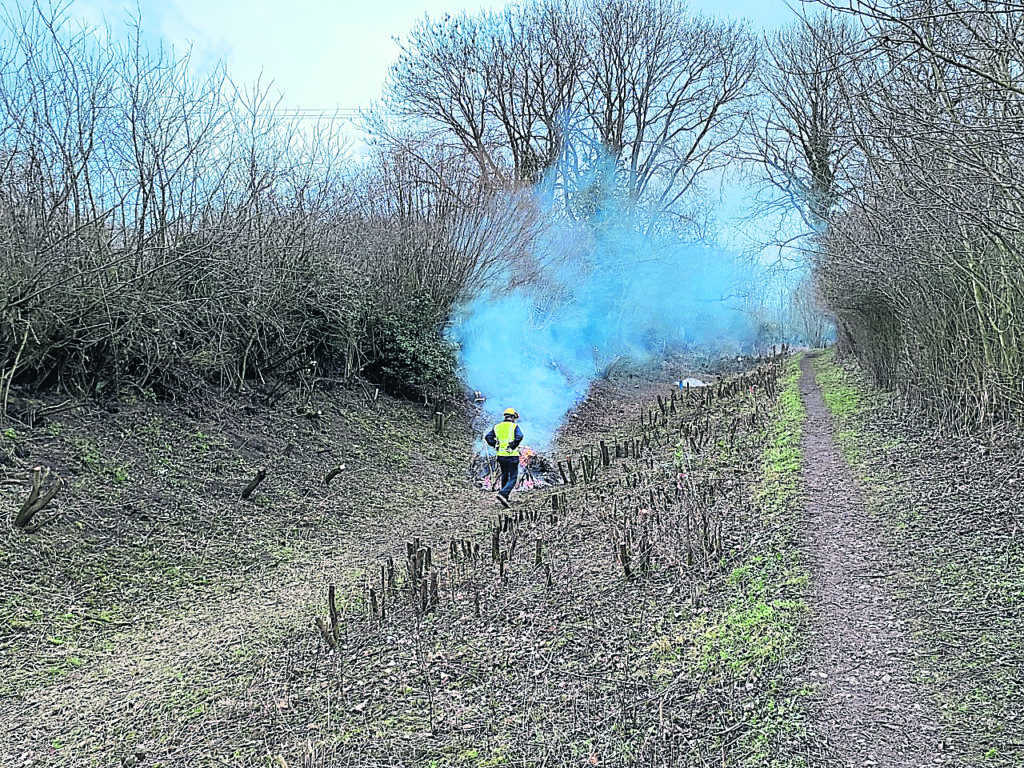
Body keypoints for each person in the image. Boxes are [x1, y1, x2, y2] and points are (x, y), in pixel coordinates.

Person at [485, 408, 523, 508]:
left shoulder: (497, 427)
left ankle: (505, 498)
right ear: (513, 417)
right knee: (513, 477)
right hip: (512, 455)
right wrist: (512, 446)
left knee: (504, 475)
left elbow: (488, 437)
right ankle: (502, 493)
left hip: (501, 455)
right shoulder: (514, 426)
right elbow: (519, 436)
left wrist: (495, 445)